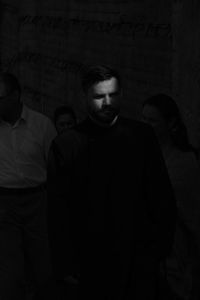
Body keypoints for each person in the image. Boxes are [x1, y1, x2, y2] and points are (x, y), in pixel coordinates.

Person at [47, 65, 177, 300]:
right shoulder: (66, 145)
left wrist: (158, 250)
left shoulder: (141, 135)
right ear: (84, 97)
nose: (107, 102)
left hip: (138, 259)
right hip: (90, 261)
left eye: (113, 95)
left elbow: (161, 196)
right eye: (99, 96)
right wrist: (65, 262)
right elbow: (58, 210)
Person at [0, 72, 57, 300]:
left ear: (15, 96)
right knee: (9, 267)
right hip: (5, 201)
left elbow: (54, 167)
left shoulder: (41, 125)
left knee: (43, 261)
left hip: (37, 199)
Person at [142, 93, 200, 300]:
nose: (146, 125)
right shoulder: (142, 155)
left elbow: (193, 219)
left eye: (152, 120)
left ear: (170, 123)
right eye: (144, 119)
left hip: (172, 260)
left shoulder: (183, 163)